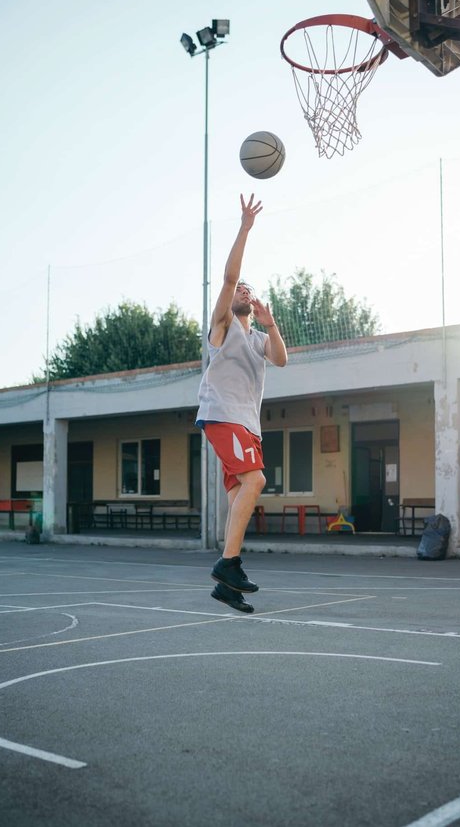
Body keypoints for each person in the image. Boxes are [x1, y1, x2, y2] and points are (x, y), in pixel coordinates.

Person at [196, 194, 288, 613]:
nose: (242, 290)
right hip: (222, 415)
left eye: (249, 289)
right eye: (239, 289)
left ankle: (226, 586)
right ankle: (228, 564)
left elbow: (281, 359)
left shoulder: (258, 338)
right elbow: (230, 277)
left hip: (247, 426)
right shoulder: (222, 326)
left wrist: (271, 323)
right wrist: (245, 227)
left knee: (239, 496)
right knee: (256, 481)